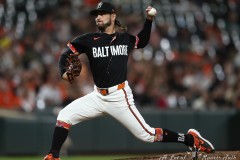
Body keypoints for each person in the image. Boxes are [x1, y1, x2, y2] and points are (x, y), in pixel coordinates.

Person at [43, 2, 215, 160]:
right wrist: (63, 72)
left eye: (102, 13)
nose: (98, 17)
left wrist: (148, 21)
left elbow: (143, 41)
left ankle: (190, 139)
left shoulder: (124, 39)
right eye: (97, 14)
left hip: (119, 96)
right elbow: (66, 54)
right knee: (64, 116)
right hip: (97, 96)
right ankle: (53, 156)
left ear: (113, 16)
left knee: (147, 135)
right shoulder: (88, 40)